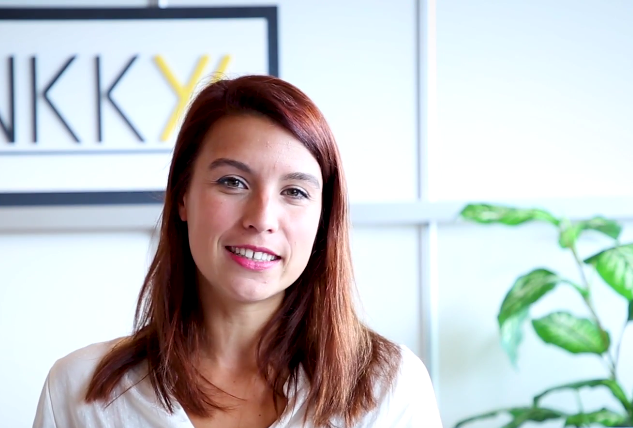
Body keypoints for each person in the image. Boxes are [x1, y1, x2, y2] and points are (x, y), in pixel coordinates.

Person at [32, 75, 442, 428]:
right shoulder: (81, 392)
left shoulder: (389, 388)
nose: (261, 218)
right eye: (233, 182)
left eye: (294, 192)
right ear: (182, 197)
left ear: (323, 218)